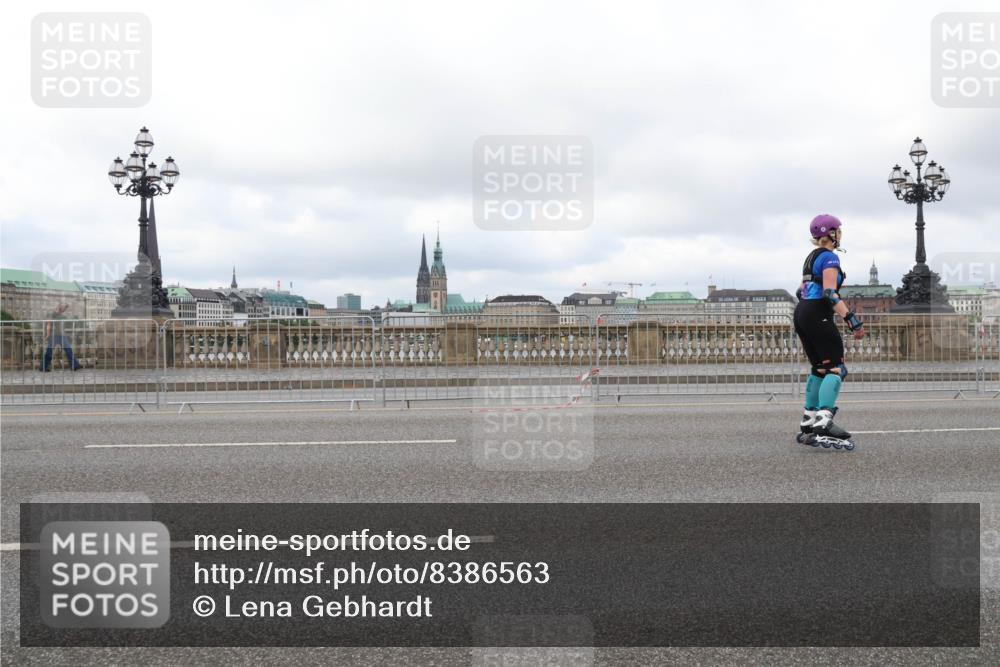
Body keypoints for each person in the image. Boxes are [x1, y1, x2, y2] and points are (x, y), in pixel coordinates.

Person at [794, 214, 864, 443]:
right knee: (836, 369)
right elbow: (829, 293)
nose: (840, 235)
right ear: (831, 234)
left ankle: (809, 419)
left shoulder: (810, 257)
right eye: (839, 231)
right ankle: (824, 420)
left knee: (819, 369)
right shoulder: (830, 258)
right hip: (818, 315)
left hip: (802, 313)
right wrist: (852, 320)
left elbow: (800, 291)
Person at [41, 303, 82, 372]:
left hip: (62, 335)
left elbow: (63, 310)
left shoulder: (60, 314)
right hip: (54, 335)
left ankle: (74, 365)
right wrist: (48, 335)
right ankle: (43, 367)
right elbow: (49, 324)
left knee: (68, 350)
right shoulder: (53, 314)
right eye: (61, 308)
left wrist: (66, 306)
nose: (63, 310)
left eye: (62, 308)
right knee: (49, 351)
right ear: (57, 308)